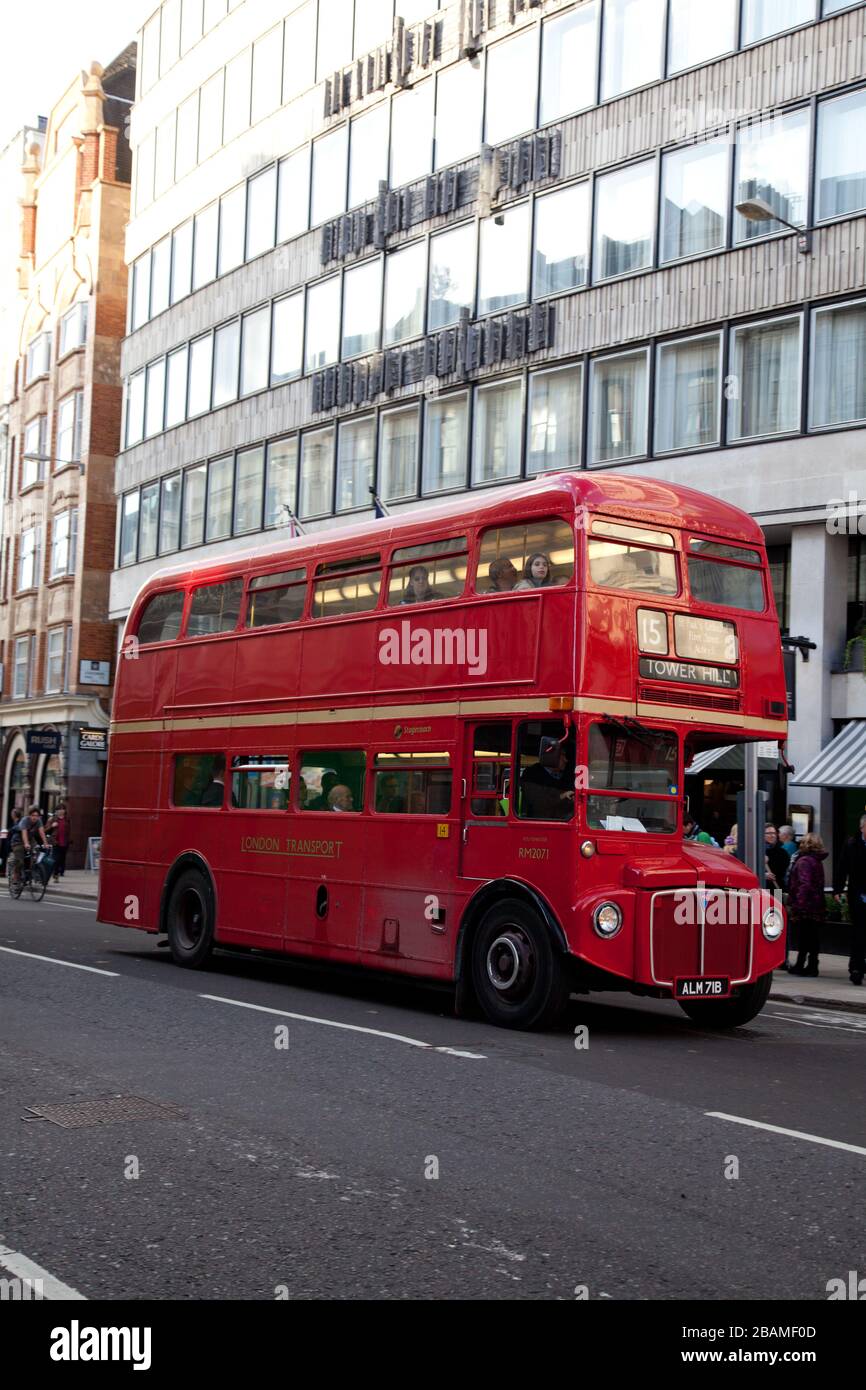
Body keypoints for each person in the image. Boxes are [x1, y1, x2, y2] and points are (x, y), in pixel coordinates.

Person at [786, 833, 828, 977]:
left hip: (806, 905)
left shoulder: (804, 861)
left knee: (804, 937)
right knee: (813, 938)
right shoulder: (817, 860)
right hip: (817, 904)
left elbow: (805, 884)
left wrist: (798, 903)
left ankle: (800, 965)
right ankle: (812, 965)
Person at [837, 813, 866, 985]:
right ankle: (856, 968)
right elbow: (842, 868)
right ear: (862, 827)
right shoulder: (851, 844)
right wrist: (838, 889)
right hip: (859, 895)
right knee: (858, 934)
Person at [520, 740, 574, 820]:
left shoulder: (565, 775)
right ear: (551, 756)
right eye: (562, 755)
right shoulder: (532, 774)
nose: (566, 760)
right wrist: (562, 796)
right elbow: (538, 803)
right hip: (539, 824)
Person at [9, 806, 50, 884]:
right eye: (33, 815)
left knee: (36, 851)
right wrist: (26, 844)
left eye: (37, 816)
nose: (35, 817)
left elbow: (41, 832)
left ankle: (32, 871)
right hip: (18, 841)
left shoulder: (39, 821)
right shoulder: (25, 820)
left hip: (31, 839)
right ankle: (16, 875)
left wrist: (46, 843)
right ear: (29, 815)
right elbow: (24, 834)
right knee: (20, 860)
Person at [46, 804, 70, 880]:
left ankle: (60, 872)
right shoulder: (52, 819)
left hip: (65, 841)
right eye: (59, 809)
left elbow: (69, 830)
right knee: (56, 859)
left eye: (63, 809)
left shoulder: (67, 819)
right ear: (56, 811)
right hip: (56, 842)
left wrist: (70, 839)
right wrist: (52, 826)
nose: (61, 810)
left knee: (62, 859)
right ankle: (55, 873)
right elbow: (45, 830)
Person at [765, 824, 789, 892]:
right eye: (768, 833)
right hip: (760, 889)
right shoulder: (756, 851)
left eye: (774, 833)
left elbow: (782, 873)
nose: (772, 835)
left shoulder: (782, 852)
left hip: (777, 889)